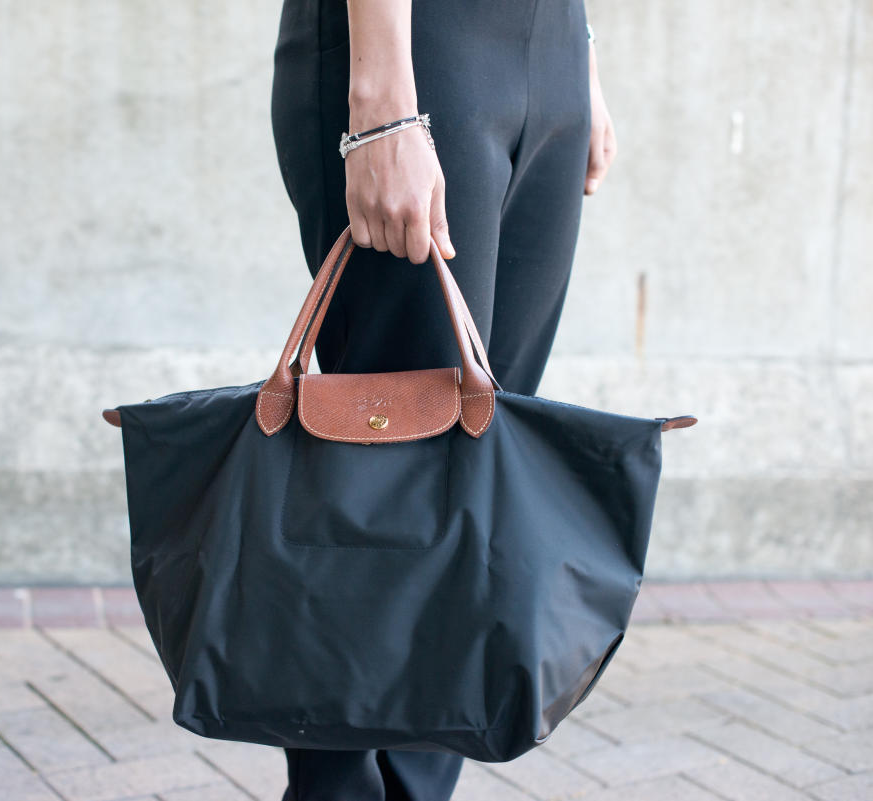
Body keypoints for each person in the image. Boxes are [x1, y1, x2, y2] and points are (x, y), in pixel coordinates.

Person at [270, 0, 614, 797]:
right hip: (420, 48)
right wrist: (383, 100)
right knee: (390, 487)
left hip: (548, 49)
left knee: (476, 485)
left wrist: (580, 56)